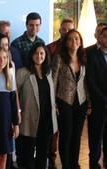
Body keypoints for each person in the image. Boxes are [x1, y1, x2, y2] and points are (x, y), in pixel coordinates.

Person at [51, 29, 89, 169]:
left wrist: (88, 103)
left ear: (80, 42)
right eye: (71, 39)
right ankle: (66, 165)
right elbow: (53, 82)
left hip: (81, 101)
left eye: (77, 39)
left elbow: (86, 82)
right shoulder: (60, 58)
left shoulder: (84, 57)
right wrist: (53, 103)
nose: (74, 41)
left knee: (77, 136)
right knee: (66, 136)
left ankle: (74, 164)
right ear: (66, 42)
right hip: (64, 101)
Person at [16, 43, 58, 169]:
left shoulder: (48, 72)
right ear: (31, 55)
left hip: (47, 119)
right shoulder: (23, 72)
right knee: (27, 154)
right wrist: (17, 111)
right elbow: (15, 94)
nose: (39, 56)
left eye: (42, 53)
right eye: (36, 53)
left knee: (43, 153)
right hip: (29, 118)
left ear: (46, 55)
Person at [46, 18, 74, 169]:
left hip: (71, 98)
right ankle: (51, 159)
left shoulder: (77, 49)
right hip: (55, 97)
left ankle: (69, 160)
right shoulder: (51, 48)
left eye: (70, 29)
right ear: (60, 31)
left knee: (69, 133)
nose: (67, 32)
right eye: (64, 29)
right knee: (54, 132)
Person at [86, 26, 107, 169]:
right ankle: (94, 163)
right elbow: (90, 81)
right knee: (95, 137)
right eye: (105, 35)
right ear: (99, 36)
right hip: (98, 104)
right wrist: (104, 99)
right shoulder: (91, 54)